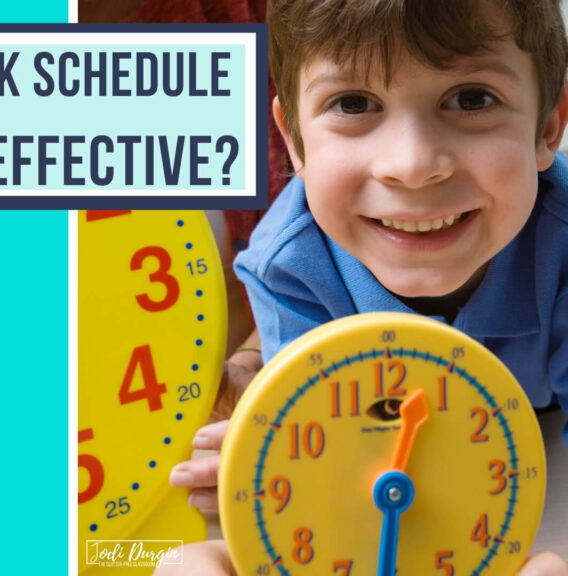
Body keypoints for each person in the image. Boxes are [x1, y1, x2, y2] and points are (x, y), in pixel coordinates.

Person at [160, 0, 568, 573]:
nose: (412, 164)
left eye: (472, 98)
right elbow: (328, 457)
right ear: (295, 142)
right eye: (353, 103)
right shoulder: (287, 269)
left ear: (547, 128)